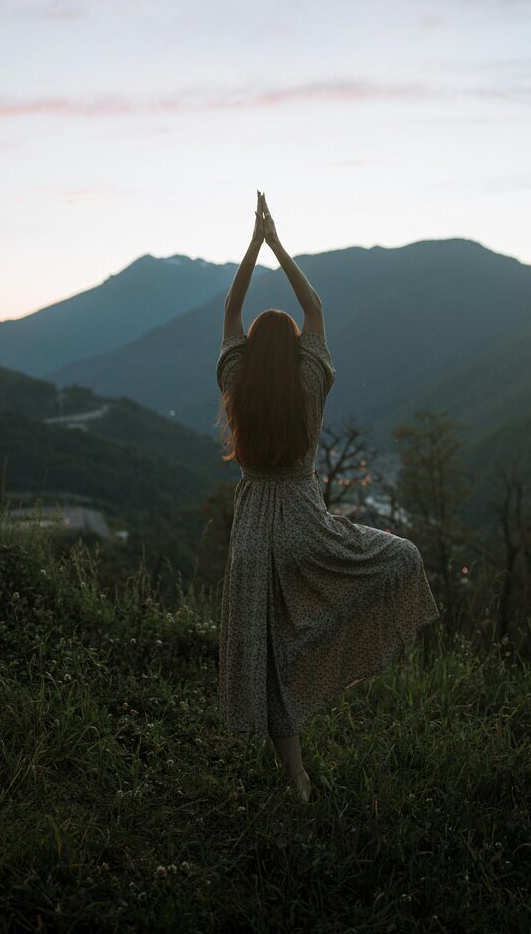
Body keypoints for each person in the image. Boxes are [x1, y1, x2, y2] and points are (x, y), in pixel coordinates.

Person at [215, 191, 440, 803]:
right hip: (302, 522)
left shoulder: (236, 381)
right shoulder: (309, 378)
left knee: (268, 655)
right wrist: (278, 244)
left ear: (248, 356)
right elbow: (313, 305)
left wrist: (252, 246)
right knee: (402, 558)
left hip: (253, 532)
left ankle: (298, 780)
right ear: (295, 351)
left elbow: (232, 307)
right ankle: (318, 685)